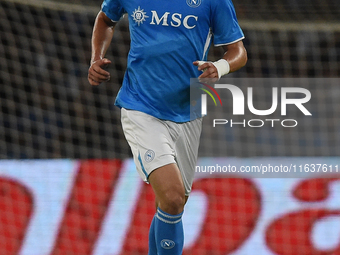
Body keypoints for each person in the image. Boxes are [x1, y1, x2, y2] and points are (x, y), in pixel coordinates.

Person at [88, 0, 247, 253]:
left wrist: (219, 66)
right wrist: (96, 57)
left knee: (174, 204)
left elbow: (238, 51)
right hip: (141, 106)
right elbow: (106, 19)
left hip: (189, 110)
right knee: (172, 197)